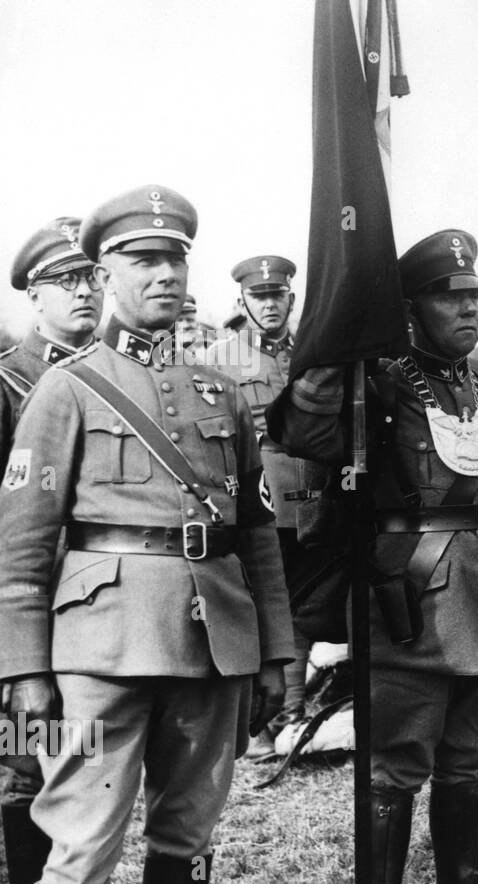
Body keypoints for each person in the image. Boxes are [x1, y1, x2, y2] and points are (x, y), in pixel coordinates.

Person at [0, 185, 292, 884]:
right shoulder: (66, 389)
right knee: (81, 843)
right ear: (103, 275)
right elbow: (24, 547)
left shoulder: (220, 391)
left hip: (213, 642)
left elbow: (257, 533)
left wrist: (277, 652)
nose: (164, 273)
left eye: (174, 258)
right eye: (143, 259)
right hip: (102, 648)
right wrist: (26, 668)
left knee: (189, 831)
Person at [269, 228, 478, 884]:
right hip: (412, 603)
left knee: (465, 766)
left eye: (473, 297)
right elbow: (303, 429)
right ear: (411, 307)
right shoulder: (378, 386)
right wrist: (341, 339)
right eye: (449, 298)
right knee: (394, 770)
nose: (468, 311)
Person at [1, 217, 103, 884]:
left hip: (100, 598)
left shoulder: (115, 372)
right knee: (27, 762)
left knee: (103, 758)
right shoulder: (10, 379)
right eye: (65, 282)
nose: (84, 292)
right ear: (33, 297)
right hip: (29, 596)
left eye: (91, 277)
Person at [204, 256, 314, 761]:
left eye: (279, 295)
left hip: (314, 490)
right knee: (258, 604)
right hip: (258, 491)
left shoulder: (311, 350)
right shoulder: (222, 356)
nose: (271, 304)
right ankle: (261, 724)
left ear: (291, 298)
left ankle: (293, 716)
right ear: (242, 302)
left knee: (304, 606)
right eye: (260, 296)